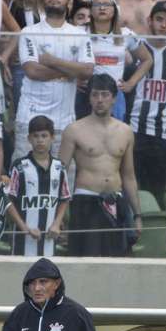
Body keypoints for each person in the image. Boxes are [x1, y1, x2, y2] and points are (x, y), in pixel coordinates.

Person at [60, 75, 142, 257]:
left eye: (105, 95)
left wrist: (137, 215)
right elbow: (59, 175)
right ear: (89, 98)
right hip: (86, 202)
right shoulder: (74, 130)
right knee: (85, 262)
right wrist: (59, 217)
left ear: (114, 98)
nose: (99, 100)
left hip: (116, 201)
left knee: (118, 263)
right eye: (95, 95)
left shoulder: (126, 131)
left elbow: (129, 176)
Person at [14, 0, 94, 160]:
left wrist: (51, 61)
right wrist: (72, 70)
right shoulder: (29, 31)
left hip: (64, 121)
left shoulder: (80, 35)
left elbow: (88, 71)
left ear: (69, 2)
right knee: (24, 175)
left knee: (63, 178)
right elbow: (33, 71)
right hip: (29, 117)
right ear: (44, 0)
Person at [129, 0, 166, 209]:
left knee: (157, 189)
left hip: (162, 132)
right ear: (150, 21)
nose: (163, 25)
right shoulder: (136, 48)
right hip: (133, 129)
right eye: (159, 20)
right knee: (132, 186)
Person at [6, 115, 71, 257]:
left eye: (44, 136)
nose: (40, 140)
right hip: (23, 242)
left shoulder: (59, 167)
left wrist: (56, 223)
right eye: (36, 136)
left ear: (52, 138)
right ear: (29, 139)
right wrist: (24, 227)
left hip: (49, 240)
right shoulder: (20, 166)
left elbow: (65, 198)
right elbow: (8, 200)